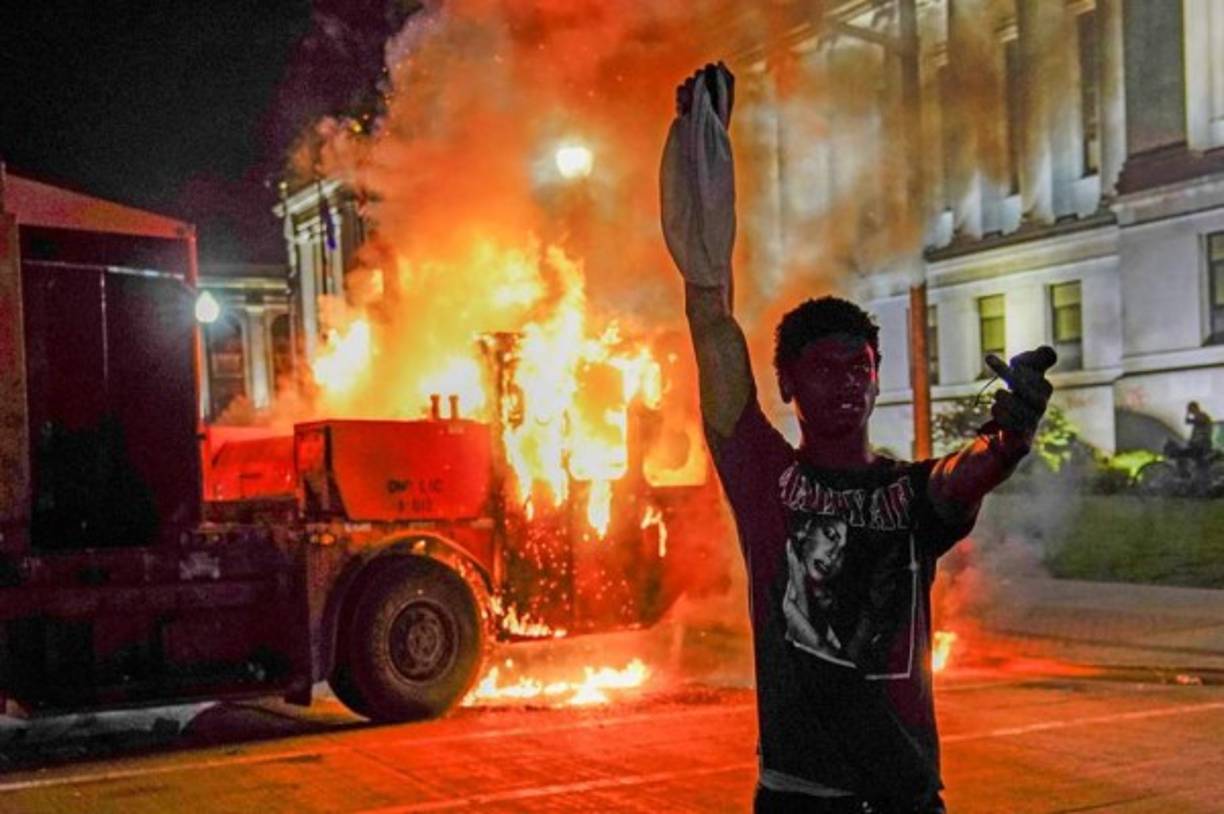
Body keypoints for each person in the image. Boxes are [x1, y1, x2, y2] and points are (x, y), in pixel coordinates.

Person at [661, 63, 1057, 813]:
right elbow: (711, 325)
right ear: (787, 385)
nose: (847, 381)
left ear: (878, 379)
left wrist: (1012, 429)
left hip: (906, 792)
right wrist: (703, 166)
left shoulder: (906, 494)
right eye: (825, 368)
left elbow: (968, 473)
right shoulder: (763, 476)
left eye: (862, 366)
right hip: (800, 794)